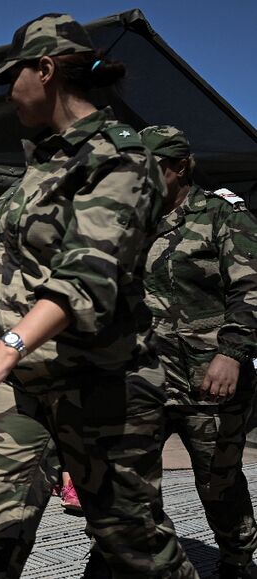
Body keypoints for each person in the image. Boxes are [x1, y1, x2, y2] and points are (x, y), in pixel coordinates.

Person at [0, 14, 197, 578]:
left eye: (13, 77)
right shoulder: (44, 159)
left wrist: (2, 349)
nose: (9, 93)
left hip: (101, 385)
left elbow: (87, 276)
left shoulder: (119, 160)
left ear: (46, 69)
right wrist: (6, 340)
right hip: (25, 385)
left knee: (131, 545)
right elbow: (24, 268)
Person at [140, 125, 257, 579]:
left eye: (155, 169)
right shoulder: (133, 221)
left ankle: (238, 560)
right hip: (145, 378)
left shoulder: (224, 216)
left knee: (217, 483)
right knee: (131, 481)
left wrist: (231, 352)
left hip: (209, 378)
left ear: (181, 167)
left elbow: (250, 289)